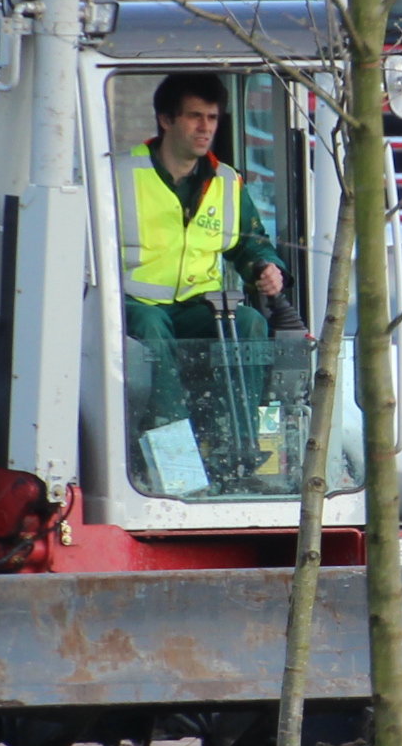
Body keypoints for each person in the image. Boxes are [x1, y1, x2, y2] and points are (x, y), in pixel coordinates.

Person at [117, 74, 287, 476]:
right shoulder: (120, 175)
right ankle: (178, 464)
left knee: (249, 322)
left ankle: (243, 450)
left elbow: (249, 242)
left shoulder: (226, 181)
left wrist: (264, 266)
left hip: (199, 306)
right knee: (154, 331)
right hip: (135, 305)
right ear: (165, 120)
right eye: (195, 116)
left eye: (212, 117)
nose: (206, 127)